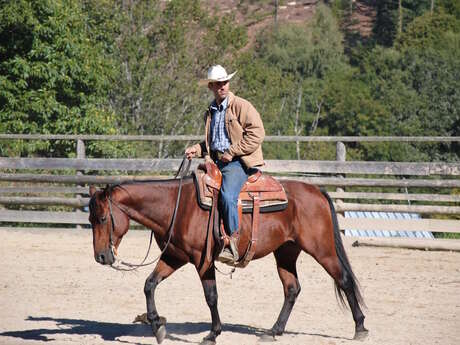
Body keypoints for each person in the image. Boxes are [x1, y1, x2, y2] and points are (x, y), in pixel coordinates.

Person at [185, 65, 265, 263]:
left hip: (238, 162)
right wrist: (197, 148)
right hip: (218, 161)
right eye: (218, 84)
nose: (222, 86)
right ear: (211, 87)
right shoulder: (211, 112)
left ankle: (232, 243)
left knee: (228, 196)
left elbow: (257, 134)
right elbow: (214, 143)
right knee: (196, 190)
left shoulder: (241, 106)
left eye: (225, 82)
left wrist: (232, 152)